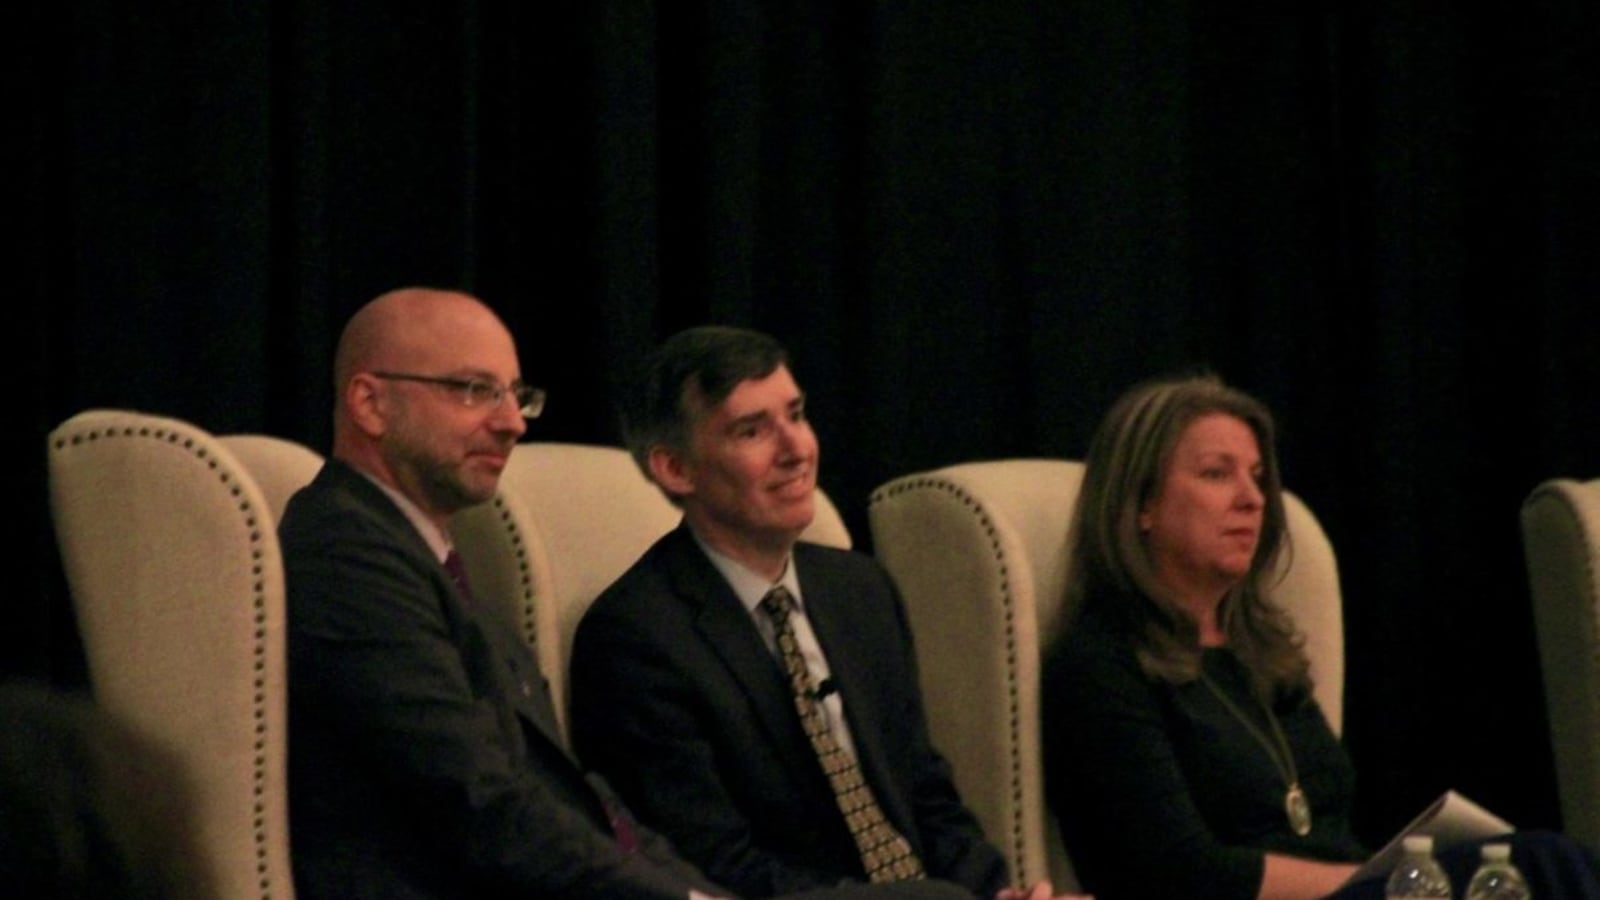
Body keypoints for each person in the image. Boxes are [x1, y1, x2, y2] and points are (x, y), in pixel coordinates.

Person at [281, 287, 975, 900]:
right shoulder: (345, 550)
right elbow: (473, 796)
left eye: (515, 394)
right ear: (370, 402)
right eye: (472, 390)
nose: (512, 422)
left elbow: (581, 802)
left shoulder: (416, 556)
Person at [1039, 373, 1600, 900]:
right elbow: (1181, 871)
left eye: (1257, 477)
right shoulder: (1101, 665)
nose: (1253, 498)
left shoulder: (1260, 650)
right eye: (1217, 473)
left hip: (1352, 885)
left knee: (1528, 862)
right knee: (1541, 862)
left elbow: (1325, 824)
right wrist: (1380, 881)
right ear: (1142, 504)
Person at [568, 325, 1073, 900]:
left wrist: (995, 891)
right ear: (676, 469)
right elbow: (707, 863)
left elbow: (925, 792)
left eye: (796, 415)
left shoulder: (858, 589)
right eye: (752, 430)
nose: (797, 449)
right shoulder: (636, 638)